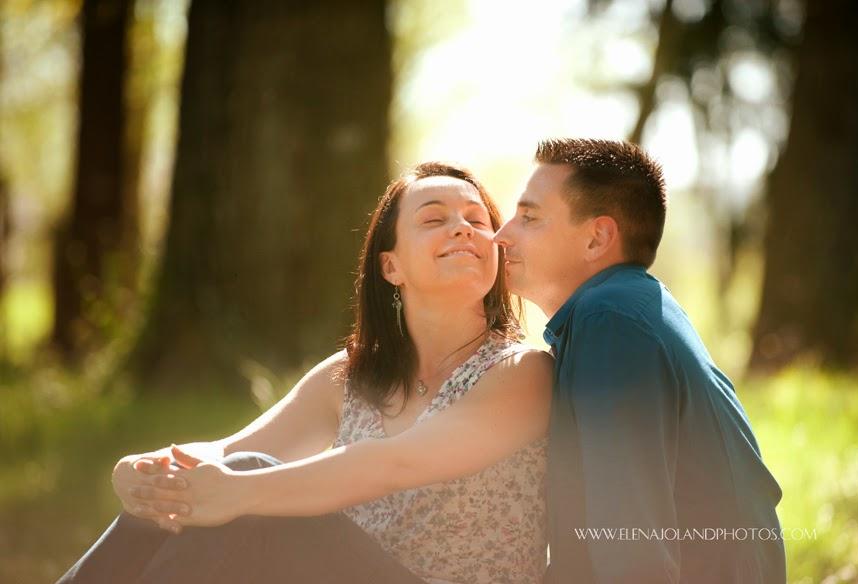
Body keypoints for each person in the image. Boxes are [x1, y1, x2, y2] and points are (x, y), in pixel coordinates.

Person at [58, 162, 553, 584]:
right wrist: (147, 472)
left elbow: (395, 464)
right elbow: (226, 453)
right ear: (390, 266)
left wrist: (240, 491)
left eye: (476, 219)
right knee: (173, 497)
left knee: (243, 483)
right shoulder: (350, 375)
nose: (464, 228)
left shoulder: (522, 371)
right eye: (434, 219)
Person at [494, 138, 786, 584]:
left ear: (597, 238)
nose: (502, 234)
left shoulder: (610, 318)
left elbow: (631, 547)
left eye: (529, 217)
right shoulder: (626, 306)